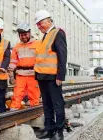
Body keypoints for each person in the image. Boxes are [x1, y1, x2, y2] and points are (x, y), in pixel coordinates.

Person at [34, 10, 67, 140]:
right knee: (47, 104)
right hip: (42, 76)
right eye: (37, 24)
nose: (39, 26)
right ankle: (49, 129)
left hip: (53, 77)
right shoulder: (45, 36)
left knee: (57, 104)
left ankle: (59, 132)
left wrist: (60, 76)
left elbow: (62, 55)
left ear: (49, 20)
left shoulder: (58, 33)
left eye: (40, 23)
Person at [8, 22, 40, 110]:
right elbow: (12, 63)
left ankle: (34, 113)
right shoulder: (16, 47)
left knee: (34, 96)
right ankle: (13, 113)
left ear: (29, 33)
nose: (24, 37)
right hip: (20, 75)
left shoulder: (38, 44)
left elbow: (41, 61)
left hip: (33, 75)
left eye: (25, 34)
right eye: (21, 35)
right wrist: (11, 77)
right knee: (17, 95)